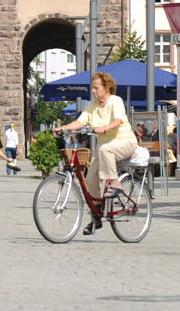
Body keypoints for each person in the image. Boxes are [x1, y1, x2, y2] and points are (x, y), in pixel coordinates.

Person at [57, 71, 140, 234]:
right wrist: (63, 128)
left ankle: (115, 183)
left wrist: (106, 127)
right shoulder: (92, 104)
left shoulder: (115, 100)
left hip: (124, 142)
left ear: (107, 87)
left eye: (96, 88)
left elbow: (119, 120)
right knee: (90, 179)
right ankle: (96, 217)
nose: (93, 91)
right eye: (92, 88)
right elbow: (80, 122)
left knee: (104, 149)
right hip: (104, 149)